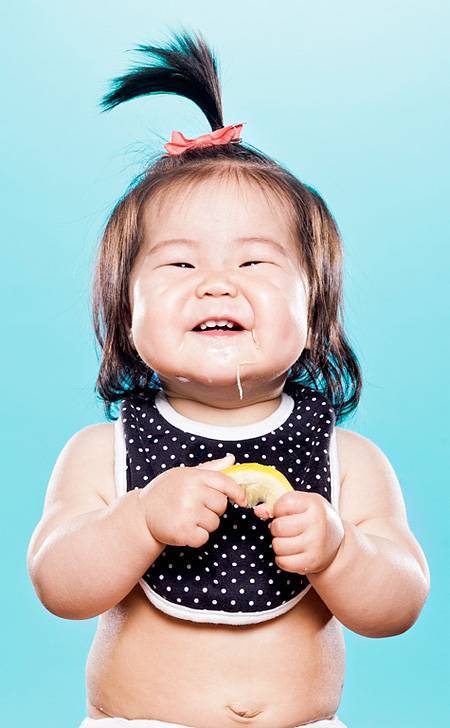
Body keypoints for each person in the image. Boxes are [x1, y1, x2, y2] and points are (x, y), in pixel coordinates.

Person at [26, 29, 430, 728]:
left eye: (254, 263)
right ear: (125, 309)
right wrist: (139, 520)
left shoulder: (347, 460)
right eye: (180, 265)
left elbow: (398, 607)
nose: (216, 285)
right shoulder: (103, 453)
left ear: (315, 307)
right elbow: (59, 587)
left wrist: (340, 551)